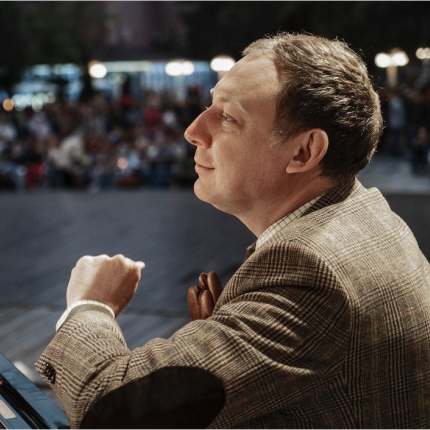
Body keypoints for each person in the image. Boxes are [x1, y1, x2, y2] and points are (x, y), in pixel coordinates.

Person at [35, 33, 430, 429]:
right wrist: (221, 334)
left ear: (304, 152)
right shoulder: (371, 218)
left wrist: (89, 306)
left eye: (228, 117)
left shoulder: (311, 274)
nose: (193, 130)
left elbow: (108, 408)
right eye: (210, 105)